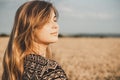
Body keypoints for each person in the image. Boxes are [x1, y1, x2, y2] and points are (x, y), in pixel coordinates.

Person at [2, 0, 68, 80]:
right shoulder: (50, 70)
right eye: (46, 21)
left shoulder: (16, 65)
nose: (55, 26)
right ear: (30, 27)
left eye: (54, 20)